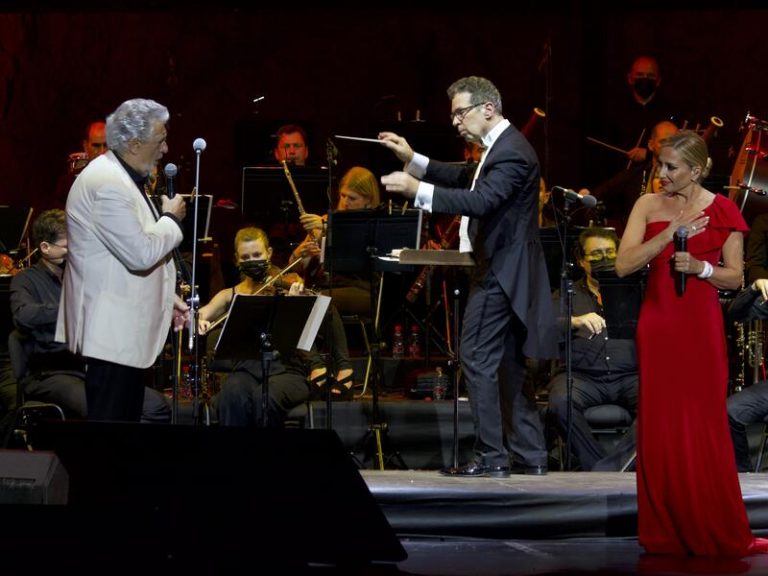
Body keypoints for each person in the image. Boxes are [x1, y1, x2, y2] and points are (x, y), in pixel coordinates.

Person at [379, 75, 557, 477]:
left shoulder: (512, 153)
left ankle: (492, 457)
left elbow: (481, 200)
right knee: (508, 365)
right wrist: (413, 157)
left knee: (476, 357)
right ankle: (531, 457)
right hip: (506, 271)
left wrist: (416, 190)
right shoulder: (500, 149)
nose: (456, 122)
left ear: (488, 109)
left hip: (500, 272)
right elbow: (466, 177)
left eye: (461, 112)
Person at [615, 130, 768, 555]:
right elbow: (624, 264)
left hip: (700, 328)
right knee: (662, 425)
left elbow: (735, 276)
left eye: (671, 167)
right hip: (660, 324)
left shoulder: (723, 210)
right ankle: (665, 530)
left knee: (704, 425)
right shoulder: (647, 205)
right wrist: (668, 235)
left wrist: (701, 267)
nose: (661, 174)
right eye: (659, 165)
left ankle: (714, 525)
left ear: (697, 170)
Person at [55, 98, 189, 423]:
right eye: (160, 141)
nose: (166, 149)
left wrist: (164, 296)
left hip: (120, 333)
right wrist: (171, 219)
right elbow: (140, 254)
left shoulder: (121, 176)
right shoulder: (108, 184)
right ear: (133, 144)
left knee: (123, 434)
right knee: (110, 437)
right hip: (110, 335)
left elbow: (117, 257)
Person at [10, 209, 170, 421]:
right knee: (106, 410)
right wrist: (72, 305)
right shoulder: (25, 280)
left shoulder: (80, 274)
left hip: (90, 367)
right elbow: (24, 316)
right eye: (69, 245)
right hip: (51, 373)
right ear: (45, 248)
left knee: (156, 407)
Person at [198, 226, 314, 426]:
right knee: (231, 394)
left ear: (268, 253)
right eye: (246, 257)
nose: (252, 261)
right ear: (237, 260)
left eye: (257, 254)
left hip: (287, 371)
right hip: (248, 371)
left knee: (264, 397)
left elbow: (307, 331)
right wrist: (199, 320)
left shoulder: (287, 283)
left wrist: (293, 304)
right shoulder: (229, 295)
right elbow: (201, 314)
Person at [546, 227, 638, 471]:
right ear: (581, 260)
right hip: (581, 377)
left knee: (662, 400)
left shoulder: (634, 291)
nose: (604, 258)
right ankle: (599, 465)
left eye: (610, 252)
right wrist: (574, 321)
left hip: (630, 376)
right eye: (596, 254)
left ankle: (612, 467)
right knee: (560, 402)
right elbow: (543, 326)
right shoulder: (567, 293)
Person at [288, 166, 378, 396]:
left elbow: (360, 261)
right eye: (343, 196)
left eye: (353, 198)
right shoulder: (327, 220)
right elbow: (293, 265)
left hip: (361, 290)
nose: (345, 202)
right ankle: (319, 367)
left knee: (320, 300)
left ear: (368, 201)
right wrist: (303, 254)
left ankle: (337, 368)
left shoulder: (372, 223)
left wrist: (327, 229)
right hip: (324, 290)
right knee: (301, 300)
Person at [591, 119, 680, 233]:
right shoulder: (632, 176)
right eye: (663, 142)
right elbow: (596, 197)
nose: (669, 147)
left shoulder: (688, 177)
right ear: (651, 145)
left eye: (674, 142)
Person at [52, 120, 110, 210]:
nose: (102, 152)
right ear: (85, 146)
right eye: (96, 145)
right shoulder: (68, 183)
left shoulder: (127, 179)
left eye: (106, 145)